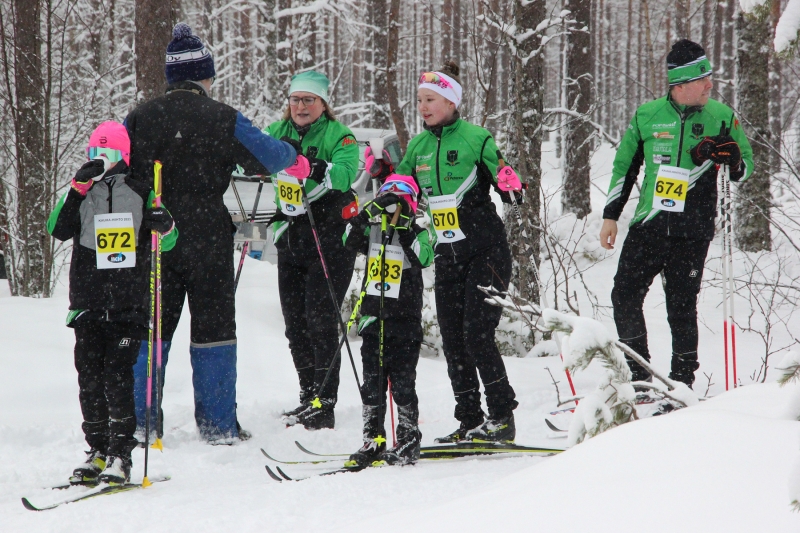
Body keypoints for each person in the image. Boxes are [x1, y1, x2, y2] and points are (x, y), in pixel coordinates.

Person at [125, 23, 297, 443]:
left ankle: (139, 423)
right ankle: (218, 426)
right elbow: (275, 157)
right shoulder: (223, 117)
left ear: (170, 78)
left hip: (155, 237)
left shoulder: (140, 117)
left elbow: (118, 172)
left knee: (150, 330)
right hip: (209, 238)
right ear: (206, 76)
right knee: (214, 330)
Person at [599, 39, 753, 388]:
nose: (710, 84)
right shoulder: (647, 116)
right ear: (681, 84)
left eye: (709, 77)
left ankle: (682, 383)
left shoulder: (722, 117)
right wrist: (611, 214)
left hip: (692, 230)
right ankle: (641, 376)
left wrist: (733, 160)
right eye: (702, 79)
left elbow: (746, 167)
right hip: (648, 226)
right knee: (623, 296)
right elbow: (625, 168)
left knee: (681, 308)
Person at [391, 62, 523, 443]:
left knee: (477, 334)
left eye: (430, 99)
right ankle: (469, 420)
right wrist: (387, 181)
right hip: (448, 254)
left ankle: (501, 417)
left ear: (450, 101)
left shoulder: (475, 138)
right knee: (453, 340)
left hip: (487, 251)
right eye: (419, 100)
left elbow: (508, 189)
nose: (423, 107)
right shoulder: (417, 145)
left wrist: (511, 184)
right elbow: (403, 186)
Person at [47, 121, 178, 485]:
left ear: (124, 156)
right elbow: (56, 229)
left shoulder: (141, 188)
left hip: (128, 303)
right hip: (88, 301)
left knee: (117, 377)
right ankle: (98, 450)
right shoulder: (80, 190)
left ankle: (121, 454)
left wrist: (164, 226)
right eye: (94, 153)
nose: (100, 159)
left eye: (108, 153)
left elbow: (167, 241)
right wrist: (76, 189)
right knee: (89, 379)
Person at [264, 71, 360, 430]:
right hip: (290, 236)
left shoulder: (339, 135)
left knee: (321, 319)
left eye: (309, 100)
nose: (301, 106)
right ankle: (308, 396)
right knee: (295, 323)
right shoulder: (277, 132)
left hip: (331, 236)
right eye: (295, 100)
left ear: (323, 104)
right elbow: (251, 161)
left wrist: (315, 167)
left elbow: (348, 174)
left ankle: (325, 403)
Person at [342, 175, 434, 467]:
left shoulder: (417, 232)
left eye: (400, 201)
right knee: (372, 382)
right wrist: (367, 212)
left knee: (403, 382)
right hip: (373, 316)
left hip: (404, 319)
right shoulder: (371, 231)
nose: (393, 207)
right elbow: (346, 239)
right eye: (389, 199)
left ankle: (408, 438)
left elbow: (424, 257)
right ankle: (373, 438)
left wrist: (404, 227)